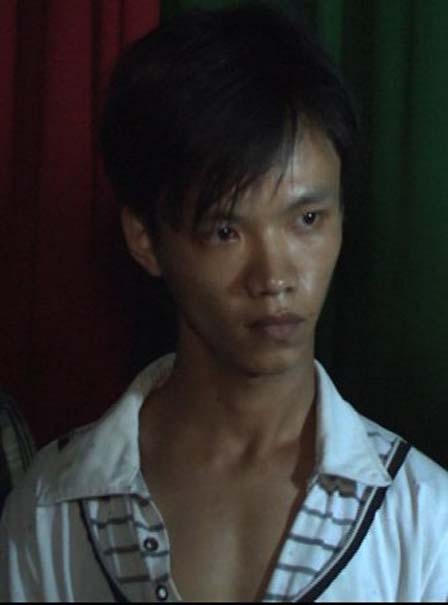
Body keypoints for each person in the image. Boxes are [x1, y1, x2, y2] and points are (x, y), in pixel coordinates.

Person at [1, 4, 447, 602]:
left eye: (307, 220)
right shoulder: (51, 507)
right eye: (225, 231)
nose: (275, 277)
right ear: (145, 238)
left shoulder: (423, 518)